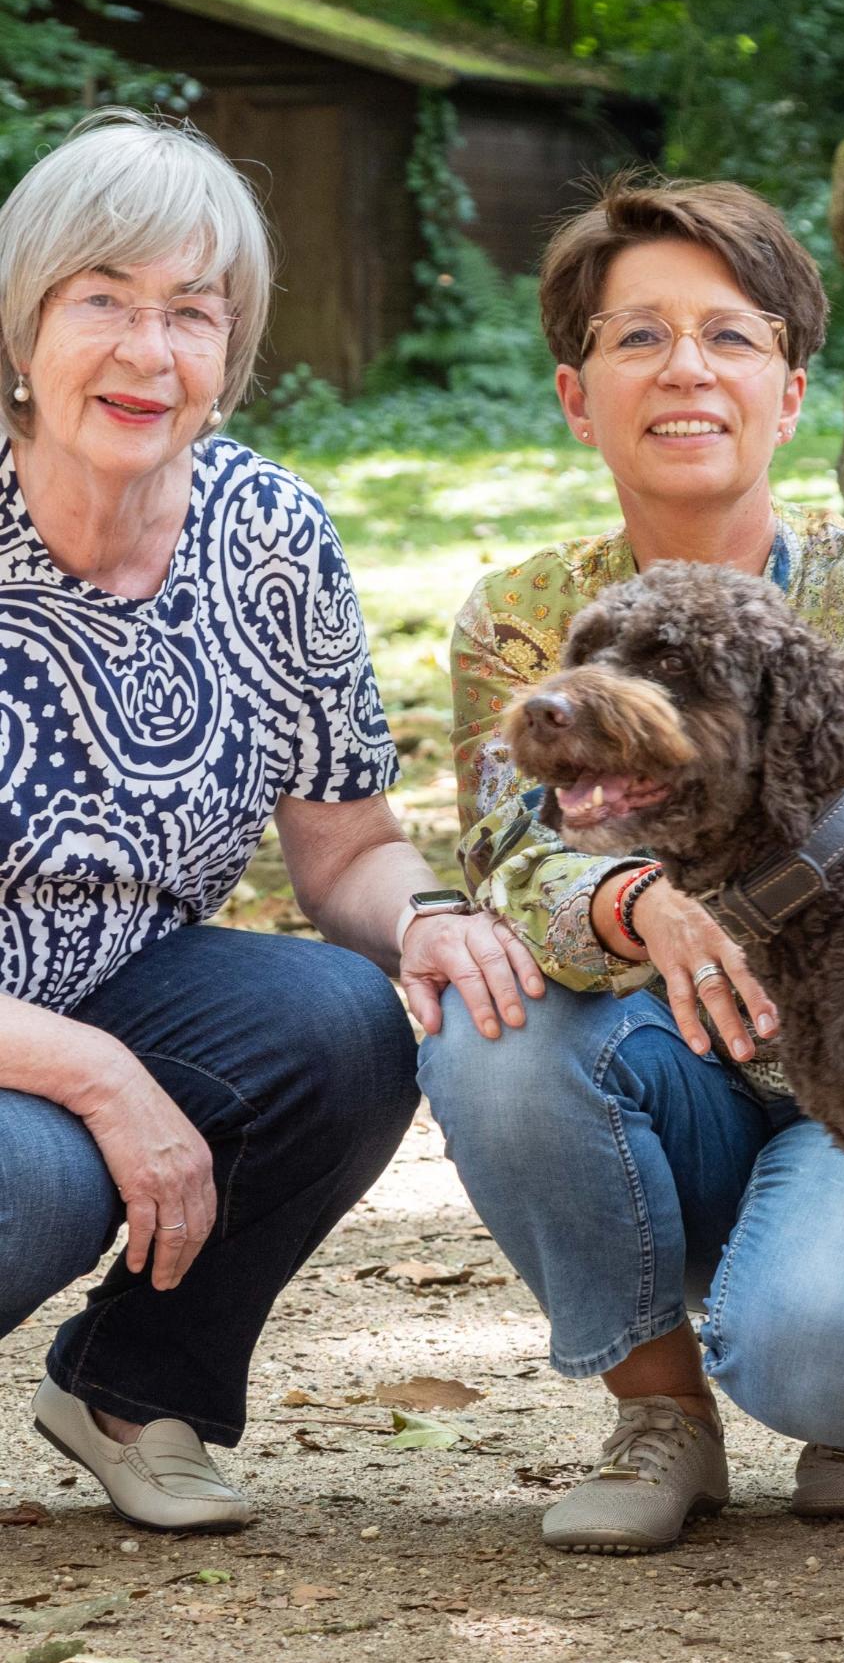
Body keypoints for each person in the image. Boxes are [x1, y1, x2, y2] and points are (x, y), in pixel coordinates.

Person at [418, 175, 844, 1554]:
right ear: (575, 392)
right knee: (475, 1021)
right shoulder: (526, 619)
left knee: (824, 1355)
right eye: (640, 338)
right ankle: (659, 1410)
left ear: (789, 393)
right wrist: (631, 900)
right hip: (674, 1066)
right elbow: (502, 853)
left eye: (732, 337)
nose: (687, 371)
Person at [0, 111, 540, 1533]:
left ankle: (132, 1394)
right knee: (34, 1178)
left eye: (191, 312)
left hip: (118, 972)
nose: (146, 351)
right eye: (101, 301)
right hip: (32, 1038)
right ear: (23, 322)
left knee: (346, 1023)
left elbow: (346, 846)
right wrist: (106, 1083)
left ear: (230, 351)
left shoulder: (270, 535)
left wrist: (429, 920)